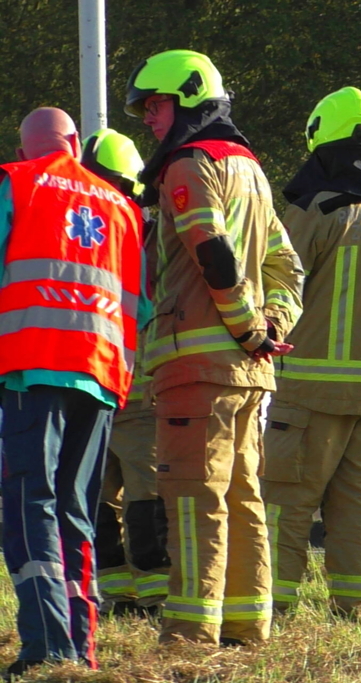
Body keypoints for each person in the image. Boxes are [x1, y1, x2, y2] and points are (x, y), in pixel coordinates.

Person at [124, 49, 304, 646]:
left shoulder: (188, 164)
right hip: (249, 374)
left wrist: (251, 328)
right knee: (244, 497)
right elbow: (287, 264)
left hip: (199, 368)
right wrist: (271, 326)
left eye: (156, 105)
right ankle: (249, 625)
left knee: (192, 497)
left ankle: (189, 630)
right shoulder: (249, 168)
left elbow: (212, 251)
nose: (148, 119)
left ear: (190, 98)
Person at [261, 87, 361, 618]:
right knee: (360, 510)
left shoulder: (315, 209)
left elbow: (277, 283)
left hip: (309, 392)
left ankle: (270, 612)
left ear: (318, 138)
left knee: (285, 508)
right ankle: (356, 610)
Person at [0, 108, 145, 677]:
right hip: (103, 373)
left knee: (27, 501)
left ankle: (47, 645)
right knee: (75, 509)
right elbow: (143, 302)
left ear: (27, 146)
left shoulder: (15, 182)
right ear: (75, 145)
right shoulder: (122, 207)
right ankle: (80, 646)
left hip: (32, 367)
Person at [81, 128, 170, 617]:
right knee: (145, 494)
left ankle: (118, 593)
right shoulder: (143, 233)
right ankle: (154, 594)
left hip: (91, 381)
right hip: (138, 385)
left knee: (100, 493)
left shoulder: (74, 229)